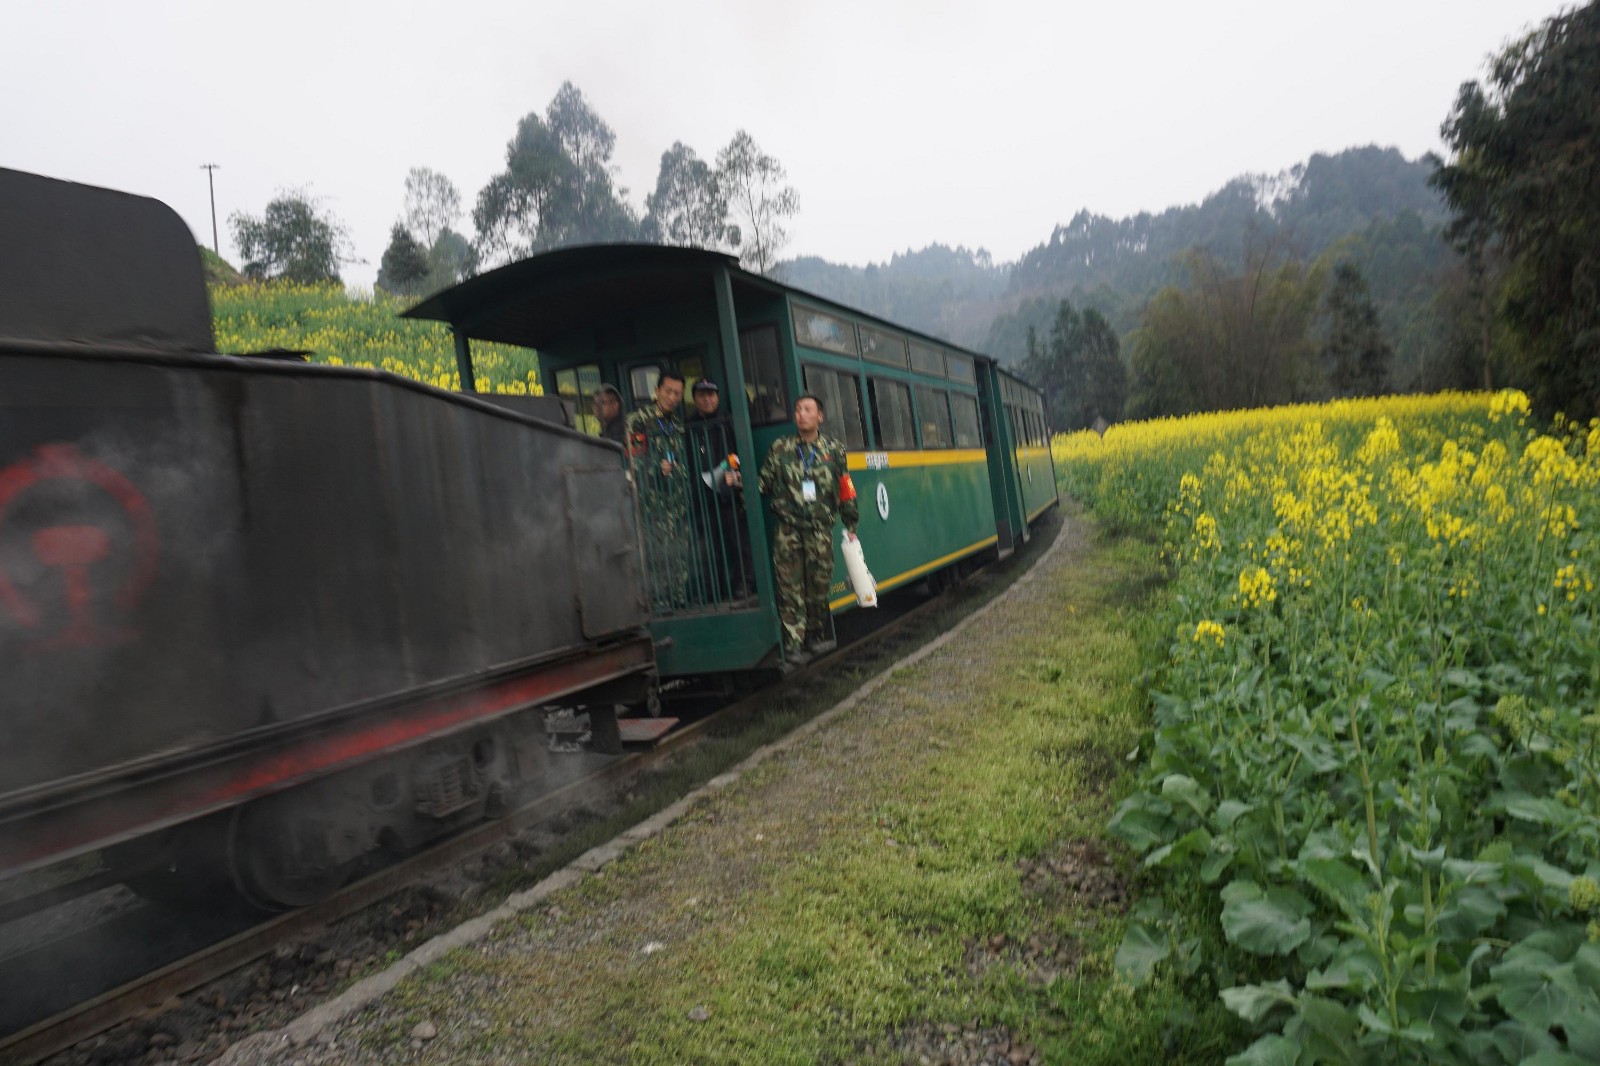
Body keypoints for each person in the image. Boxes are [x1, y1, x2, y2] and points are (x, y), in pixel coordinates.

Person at [758, 393, 859, 663]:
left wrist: (851, 522)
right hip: (788, 531)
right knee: (790, 588)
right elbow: (763, 483)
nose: (801, 414)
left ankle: (814, 635)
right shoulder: (780, 448)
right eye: (798, 409)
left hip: (819, 531)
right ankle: (794, 644)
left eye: (807, 409)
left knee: (817, 586)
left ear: (820, 417)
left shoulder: (834, 450)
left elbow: (845, 487)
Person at [626, 371, 689, 609]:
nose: (672, 397)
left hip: (677, 499)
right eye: (668, 391)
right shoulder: (638, 420)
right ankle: (660, 600)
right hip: (652, 501)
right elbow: (633, 460)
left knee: (680, 549)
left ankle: (678, 596)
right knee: (656, 550)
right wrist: (655, 466)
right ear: (657, 391)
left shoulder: (677, 424)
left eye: (677, 394)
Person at [686, 379, 752, 600]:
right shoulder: (689, 427)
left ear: (718, 397)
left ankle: (743, 583)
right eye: (702, 395)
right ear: (694, 399)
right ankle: (712, 588)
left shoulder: (729, 422)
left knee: (737, 540)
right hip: (701, 497)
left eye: (711, 394)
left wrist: (737, 475)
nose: (707, 399)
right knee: (708, 545)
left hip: (728, 495)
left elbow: (742, 453)